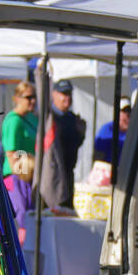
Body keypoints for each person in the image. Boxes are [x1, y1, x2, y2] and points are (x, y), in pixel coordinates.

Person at [38, 79, 85, 209]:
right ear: (54, 94)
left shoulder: (73, 119)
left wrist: (81, 135)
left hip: (68, 176)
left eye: (69, 93)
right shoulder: (48, 118)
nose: (67, 98)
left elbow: (74, 146)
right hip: (50, 177)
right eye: (64, 94)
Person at [0, 81, 37, 222]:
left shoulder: (32, 118)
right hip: (16, 176)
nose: (32, 101)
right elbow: (11, 153)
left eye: (34, 97)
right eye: (28, 97)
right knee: (20, 215)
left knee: (30, 215)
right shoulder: (13, 121)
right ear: (17, 98)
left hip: (29, 176)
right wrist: (20, 179)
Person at [94, 97, 130, 164]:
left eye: (129, 110)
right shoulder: (106, 130)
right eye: (124, 110)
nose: (127, 114)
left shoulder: (134, 133)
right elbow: (98, 158)